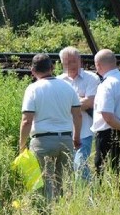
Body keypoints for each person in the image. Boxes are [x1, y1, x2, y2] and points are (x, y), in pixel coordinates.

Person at [18, 53, 82, 200]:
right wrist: (76, 137)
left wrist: (21, 146)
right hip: (66, 139)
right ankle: (62, 210)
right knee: (63, 181)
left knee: (43, 182)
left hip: (42, 141)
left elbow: (27, 120)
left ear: (32, 71)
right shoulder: (68, 87)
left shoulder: (33, 89)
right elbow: (77, 115)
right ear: (52, 68)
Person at [58, 46, 99, 181]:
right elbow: (57, 105)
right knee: (66, 169)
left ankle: (88, 197)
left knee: (80, 166)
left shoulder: (91, 78)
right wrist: (79, 99)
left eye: (74, 61)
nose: (71, 65)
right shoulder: (58, 81)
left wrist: (67, 103)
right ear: (62, 63)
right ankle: (72, 196)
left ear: (80, 60)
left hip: (85, 132)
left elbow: (90, 102)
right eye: (67, 62)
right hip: (63, 132)